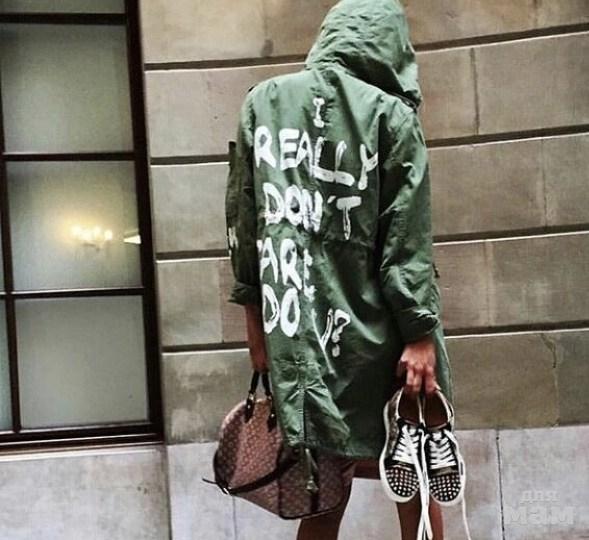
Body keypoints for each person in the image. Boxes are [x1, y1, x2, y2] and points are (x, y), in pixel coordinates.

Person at [224, 0, 455, 538]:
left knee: (324, 486)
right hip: (386, 337)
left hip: (303, 336)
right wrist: (419, 334)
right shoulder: (391, 117)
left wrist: (256, 326)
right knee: (417, 470)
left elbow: (244, 223)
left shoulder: (263, 104)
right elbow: (406, 240)